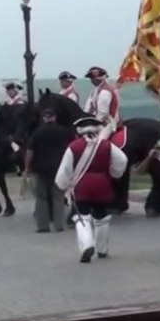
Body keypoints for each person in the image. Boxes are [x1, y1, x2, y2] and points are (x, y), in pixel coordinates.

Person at [55, 116, 128, 263]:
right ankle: (102, 250)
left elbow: (65, 169)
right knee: (102, 218)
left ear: (79, 131)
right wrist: (115, 173)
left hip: (81, 186)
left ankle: (87, 246)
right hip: (102, 185)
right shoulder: (107, 145)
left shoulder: (73, 146)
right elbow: (122, 160)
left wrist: (63, 185)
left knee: (82, 217)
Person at [23, 107, 72, 233]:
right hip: (59, 169)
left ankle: (43, 226)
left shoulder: (37, 132)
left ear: (44, 118)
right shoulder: (63, 131)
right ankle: (59, 225)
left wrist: (27, 167)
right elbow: (71, 149)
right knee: (58, 197)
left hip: (41, 170)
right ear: (55, 118)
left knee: (41, 197)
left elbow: (30, 152)